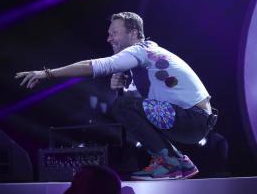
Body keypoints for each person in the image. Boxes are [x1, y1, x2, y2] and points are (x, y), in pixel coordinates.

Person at [16, 12, 215, 180]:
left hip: (192, 119)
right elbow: (140, 111)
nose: (109, 38)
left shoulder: (142, 50)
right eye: (109, 33)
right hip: (193, 120)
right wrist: (122, 90)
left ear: (134, 34)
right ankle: (179, 162)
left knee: (122, 106)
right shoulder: (146, 60)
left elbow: (95, 66)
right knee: (123, 104)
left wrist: (47, 73)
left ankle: (170, 162)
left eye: (114, 33)